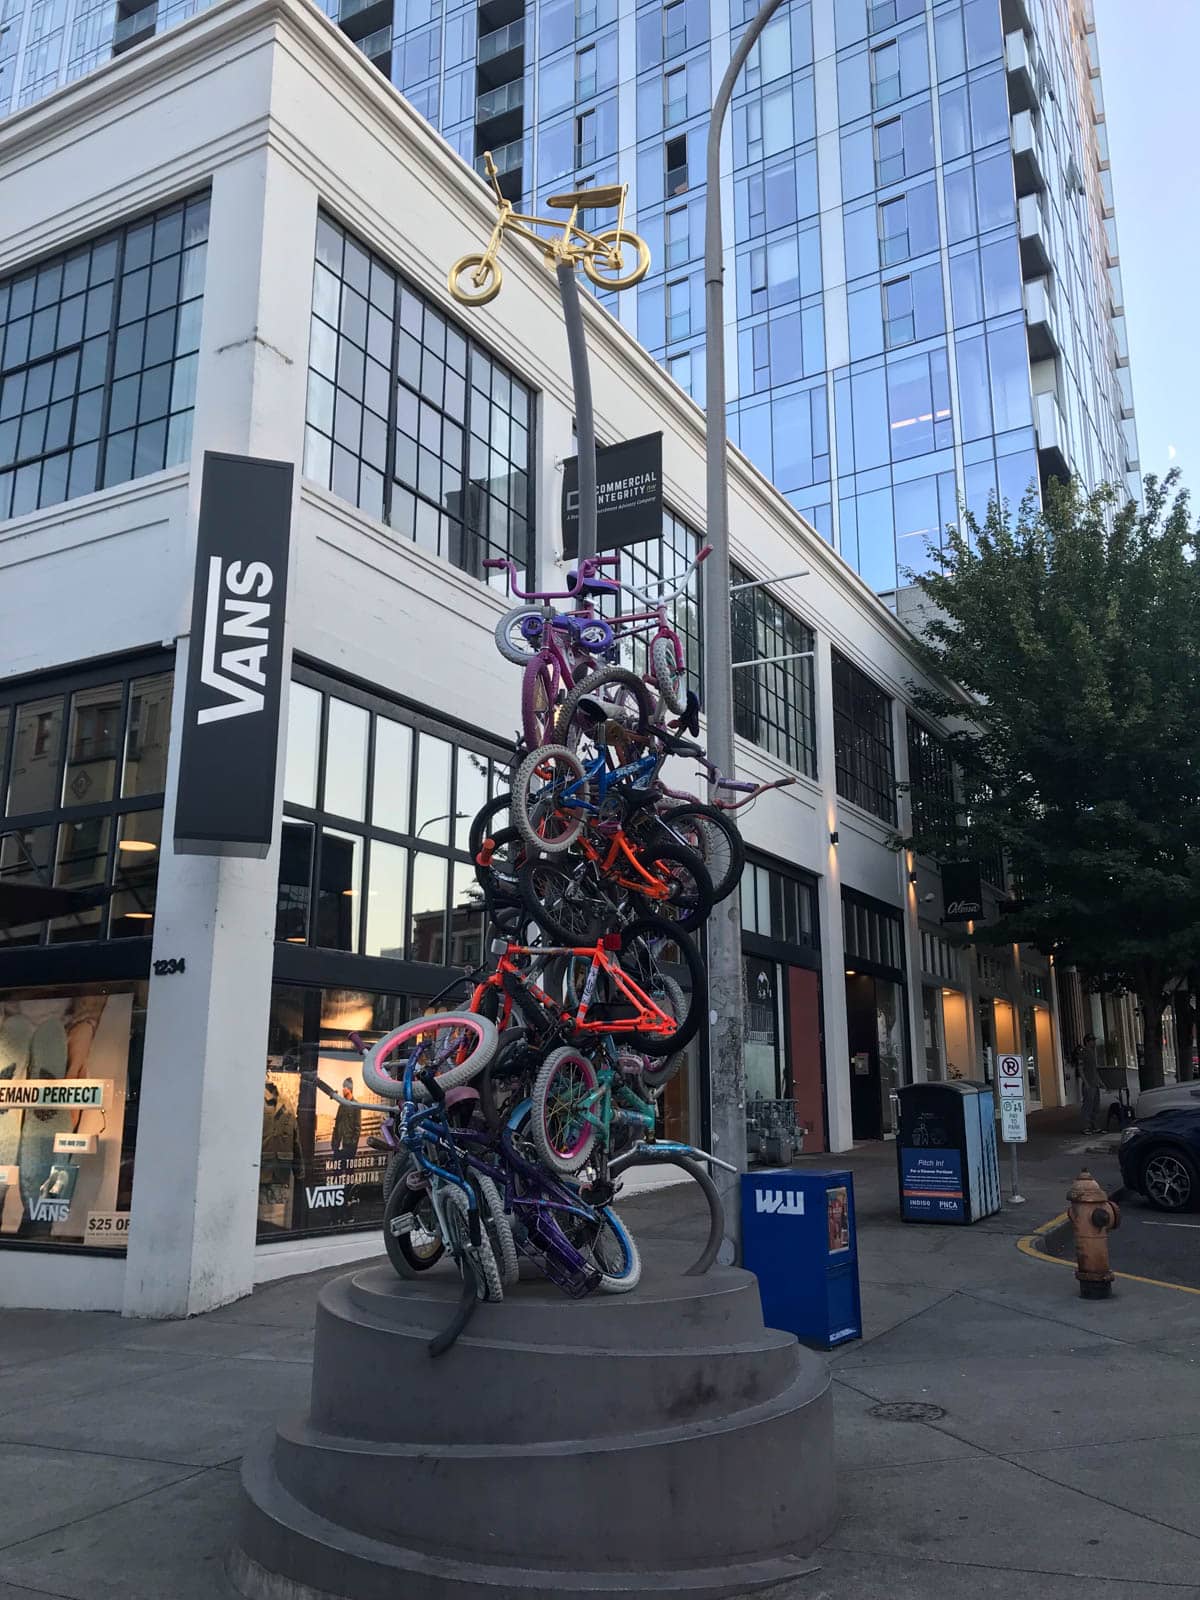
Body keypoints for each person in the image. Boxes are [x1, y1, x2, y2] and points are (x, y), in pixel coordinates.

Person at [1079, 1033, 1102, 1134]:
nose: (1094, 1042)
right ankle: (1086, 1127)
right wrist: (1086, 1083)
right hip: (1089, 1084)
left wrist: (1100, 1082)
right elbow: (1080, 1069)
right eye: (1092, 1041)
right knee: (1088, 1105)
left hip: (1095, 1083)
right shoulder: (1083, 1053)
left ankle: (1095, 1125)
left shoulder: (1092, 1053)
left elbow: (1094, 1070)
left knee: (1096, 1106)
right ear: (1088, 1042)